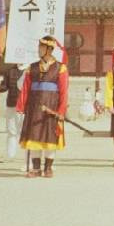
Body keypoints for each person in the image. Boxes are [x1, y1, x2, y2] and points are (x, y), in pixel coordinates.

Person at [16, 35, 69, 178]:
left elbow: (64, 91)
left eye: (42, 47)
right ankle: (36, 168)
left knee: (50, 136)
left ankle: (48, 168)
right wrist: (21, 106)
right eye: (39, 47)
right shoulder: (31, 67)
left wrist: (61, 110)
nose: (39, 50)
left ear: (49, 49)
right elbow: (26, 88)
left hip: (52, 106)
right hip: (34, 106)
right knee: (34, 137)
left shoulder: (60, 68)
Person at [0, 62, 26, 161]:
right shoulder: (10, 70)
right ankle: (10, 154)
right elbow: (4, 87)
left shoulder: (32, 69)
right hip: (12, 103)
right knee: (11, 130)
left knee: (25, 131)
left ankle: (29, 157)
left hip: (26, 105)